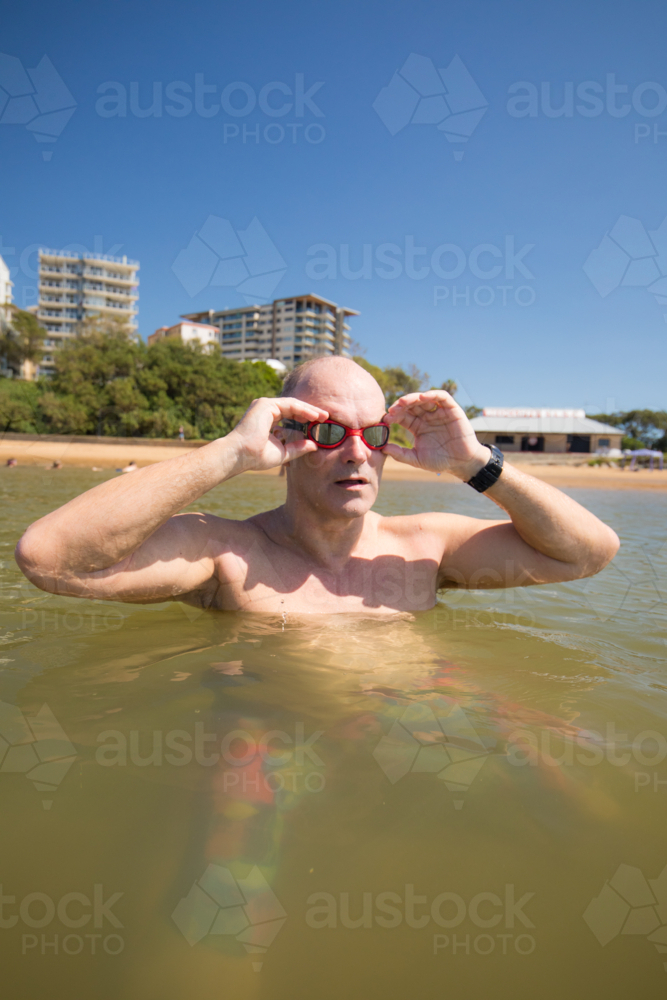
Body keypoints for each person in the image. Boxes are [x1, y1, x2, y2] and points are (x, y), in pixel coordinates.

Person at [14, 357, 619, 613]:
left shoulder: (425, 549)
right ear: (282, 442)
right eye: (327, 432)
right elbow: (49, 560)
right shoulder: (226, 555)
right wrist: (228, 453)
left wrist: (472, 464)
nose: (356, 452)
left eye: (374, 434)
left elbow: (590, 554)